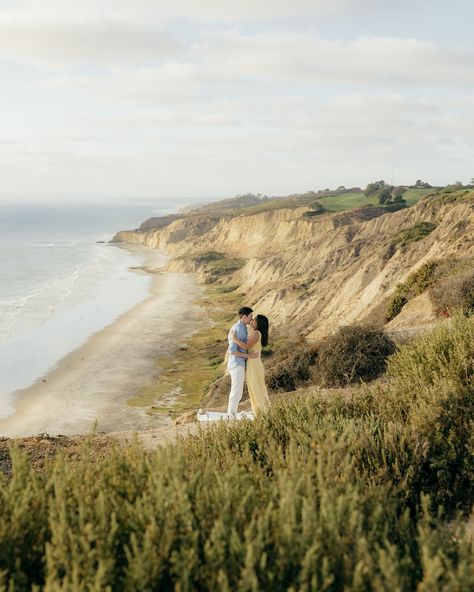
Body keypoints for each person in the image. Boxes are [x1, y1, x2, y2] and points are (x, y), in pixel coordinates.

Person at [232, 314, 270, 414]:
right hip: (256, 363)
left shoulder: (256, 333)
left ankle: (262, 413)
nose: (252, 320)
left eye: (254, 320)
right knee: (258, 388)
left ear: (259, 323)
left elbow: (245, 346)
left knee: (255, 388)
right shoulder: (258, 333)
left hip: (253, 364)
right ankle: (263, 412)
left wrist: (234, 339)